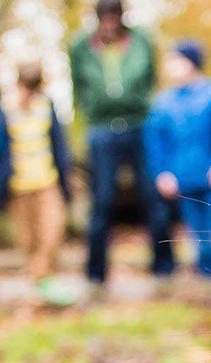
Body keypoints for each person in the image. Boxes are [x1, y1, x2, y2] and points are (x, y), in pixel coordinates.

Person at [69, 0, 171, 295]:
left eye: (115, 15)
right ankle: (95, 274)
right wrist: (90, 111)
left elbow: (150, 77)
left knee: (152, 197)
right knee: (102, 201)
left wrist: (141, 102)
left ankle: (163, 268)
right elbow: (78, 86)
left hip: (139, 124)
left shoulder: (140, 40)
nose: (110, 22)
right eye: (105, 16)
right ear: (98, 18)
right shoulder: (81, 46)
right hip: (102, 129)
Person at [144, 41, 211, 281]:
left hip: (210, 176)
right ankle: (204, 277)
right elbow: (155, 142)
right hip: (182, 177)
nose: (171, 67)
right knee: (195, 232)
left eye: (176, 60)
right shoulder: (162, 102)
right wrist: (162, 173)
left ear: (191, 62)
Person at [0, 62, 72, 291]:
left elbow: (60, 147)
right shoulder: (1, 110)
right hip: (17, 186)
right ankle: (41, 284)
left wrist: (66, 181)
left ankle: (43, 278)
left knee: (53, 230)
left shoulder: (46, 106)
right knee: (27, 240)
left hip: (47, 182)